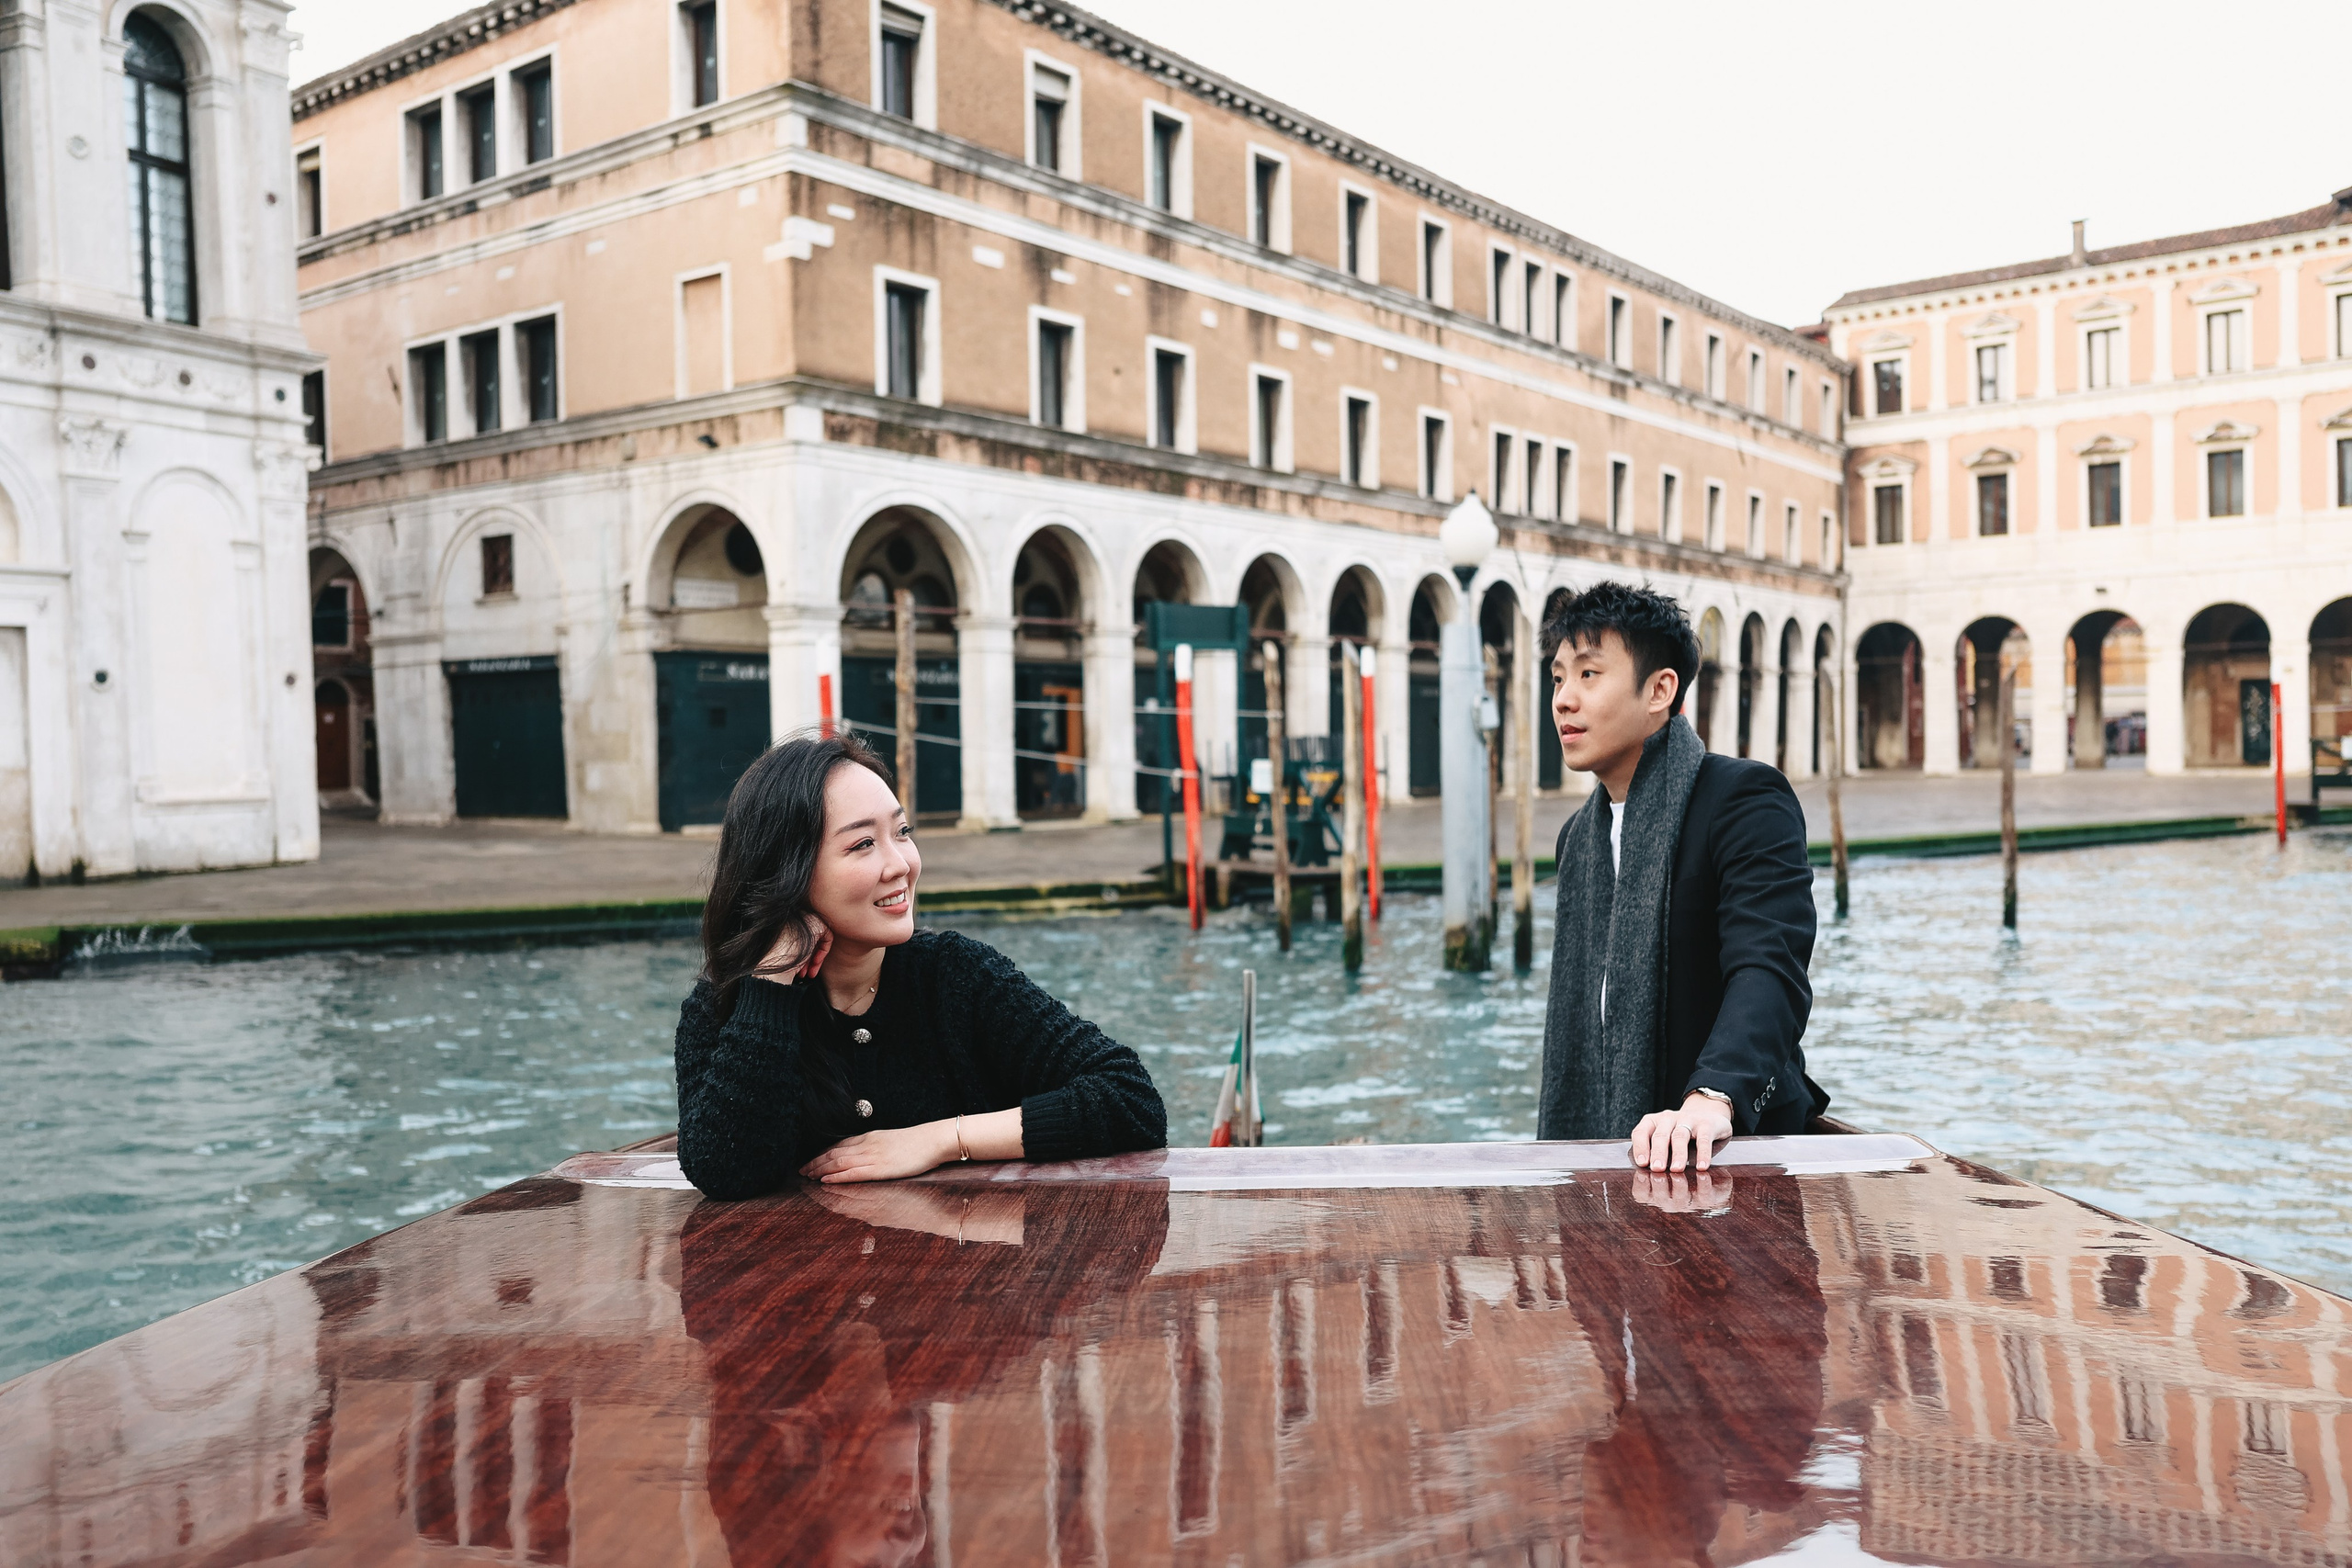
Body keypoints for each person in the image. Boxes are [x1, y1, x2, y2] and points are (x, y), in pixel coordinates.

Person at [673, 729, 1167, 1199]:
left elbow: (1129, 1099)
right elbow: (725, 1172)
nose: (902, 864)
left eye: (902, 832)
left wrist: (940, 1140)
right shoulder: (724, 1005)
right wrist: (772, 985)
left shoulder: (956, 974)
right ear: (786, 871)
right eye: (863, 844)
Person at [1536, 581, 1826, 1173]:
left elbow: (1770, 965)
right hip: (1616, 1165)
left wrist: (1713, 1095)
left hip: (1730, 1158)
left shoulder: (1744, 800)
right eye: (1559, 678)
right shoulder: (1576, 840)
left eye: (1589, 674)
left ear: (1660, 690)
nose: (1564, 699)